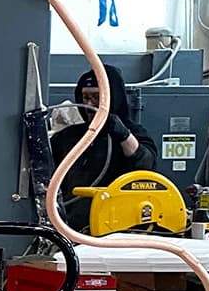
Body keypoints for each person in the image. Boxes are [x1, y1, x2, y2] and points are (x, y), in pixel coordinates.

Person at [49, 65, 157, 227]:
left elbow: (145, 166)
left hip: (116, 225)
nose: (90, 104)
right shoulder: (67, 137)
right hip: (73, 224)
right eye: (85, 97)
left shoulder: (133, 133)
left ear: (112, 97)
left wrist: (123, 135)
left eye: (96, 97)